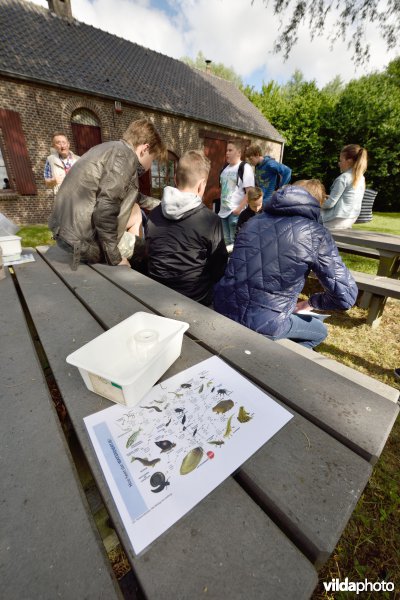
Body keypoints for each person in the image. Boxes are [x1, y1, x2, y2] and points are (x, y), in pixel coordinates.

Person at [214, 179, 358, 349]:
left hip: (222, 305)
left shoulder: (251, 223)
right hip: (266, 322)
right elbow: (346, 296)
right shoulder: (316, 233)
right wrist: (311, 303)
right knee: (319, 331)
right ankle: (273, 364)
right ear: (315, 204)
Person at [49, 118, 165, 270]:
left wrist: (161, 204)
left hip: (66, 232)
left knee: (136, 218)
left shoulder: (110, 148)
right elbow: (105, 210)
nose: (150, 166)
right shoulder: (124, 158)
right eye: (153, 159)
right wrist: (115, 258)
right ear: (144, 148)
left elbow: (124, 194)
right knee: (147, 250)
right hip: (82, 242)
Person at [145, 150, 228, 305]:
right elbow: (219, 269)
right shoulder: (210, 221)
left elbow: (150, 254)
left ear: (175, 179)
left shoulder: (153, 215)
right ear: (201, 185)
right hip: (195, 301)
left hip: (156, 295)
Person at [321, 144, 368, 230]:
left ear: (349, 161)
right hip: (351, 218)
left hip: (336, 220)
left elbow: (329, 204)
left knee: (308, 216)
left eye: (341, 160)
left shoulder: (343, 178)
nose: (339, 164)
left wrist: (315, 202)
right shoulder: (361, 177)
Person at [219, 140, 255, 246]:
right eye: (226, 150)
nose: (227, 153)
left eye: (230, 150)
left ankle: (234, 262)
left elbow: (250, 192)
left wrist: (239, 209)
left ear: (239, 152)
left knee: (236, 241)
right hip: (223, 212)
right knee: (226, 241)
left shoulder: (245, 167)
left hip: (235, 212)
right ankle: (227, 262)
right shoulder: (224, 168)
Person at [245, 143, 291, 208]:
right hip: (260, 200)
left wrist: (280, 189)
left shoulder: (270, 164)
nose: (250, 161)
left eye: (251, 159)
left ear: (257, 155)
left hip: (268, 201)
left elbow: (288, 171)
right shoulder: (257, 166)